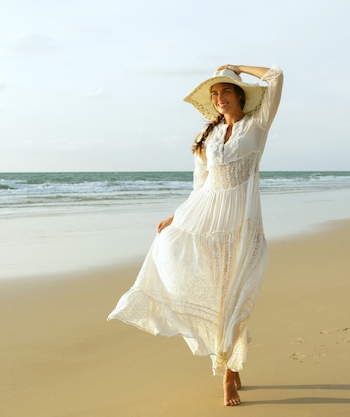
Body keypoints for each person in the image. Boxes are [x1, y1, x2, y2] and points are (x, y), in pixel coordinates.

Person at [108, 62, 283, 406]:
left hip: (242, 226)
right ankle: (229, 366)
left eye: (226, 91)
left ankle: (230, 370)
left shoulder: (258, 124)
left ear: (240, 95)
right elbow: (200, 186)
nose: (219, 98)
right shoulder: (209, 135)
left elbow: (276, 76)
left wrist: (236, 67)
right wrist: (175, 217)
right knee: (221, 298)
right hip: (207, 225)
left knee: (237, 296)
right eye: (215, 94)